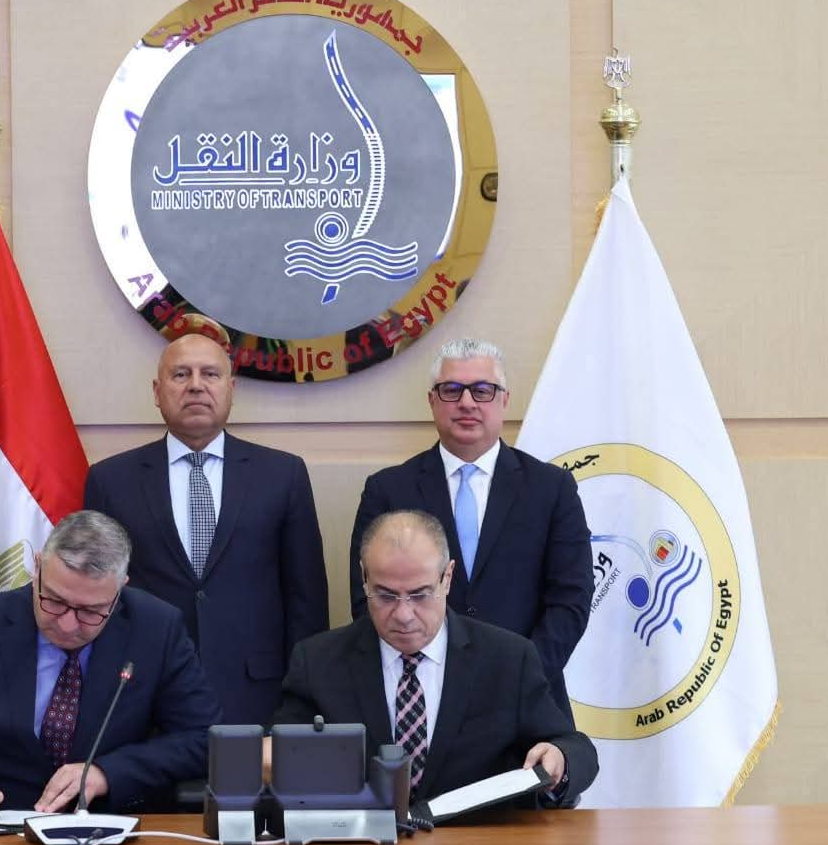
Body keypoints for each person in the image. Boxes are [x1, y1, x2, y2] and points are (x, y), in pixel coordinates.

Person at [0, 511, 220, 819]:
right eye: (54, 600)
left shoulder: (156, 628)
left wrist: (107, 773)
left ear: (119, 589)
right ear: (37, 567)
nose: (67, 625)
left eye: (90, 611)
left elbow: (205, 739)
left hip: (111, 833)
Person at [84, 326, 329, 727]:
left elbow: (306, 599)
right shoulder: (111, 481)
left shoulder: (283, 475)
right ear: (157, 391)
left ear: (231, 388)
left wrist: (302, 699)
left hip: (259, 694)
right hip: (145, 695)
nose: (196, 386)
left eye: (210, 374)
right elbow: (96, 597)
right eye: (181, 374)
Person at [277, 511, 597, 813]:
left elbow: (576, 748)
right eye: (386, 595)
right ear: (364, 578)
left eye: (420, 594)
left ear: (447, 578)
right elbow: (275, 762)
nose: (403, 615)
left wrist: (559, 758)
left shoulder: (508, 659)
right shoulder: (317, 662)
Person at [347, 337, 593, 711]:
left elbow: (571, 599)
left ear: (504, 400)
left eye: (482, 390)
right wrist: (424, 674)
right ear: (432, 400)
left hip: (527, 699)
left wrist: (520, 679)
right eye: (451, 390)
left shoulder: (551, 488)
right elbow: (367, 597)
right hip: (419, 699)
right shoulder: (388, 490)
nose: (466, 402)